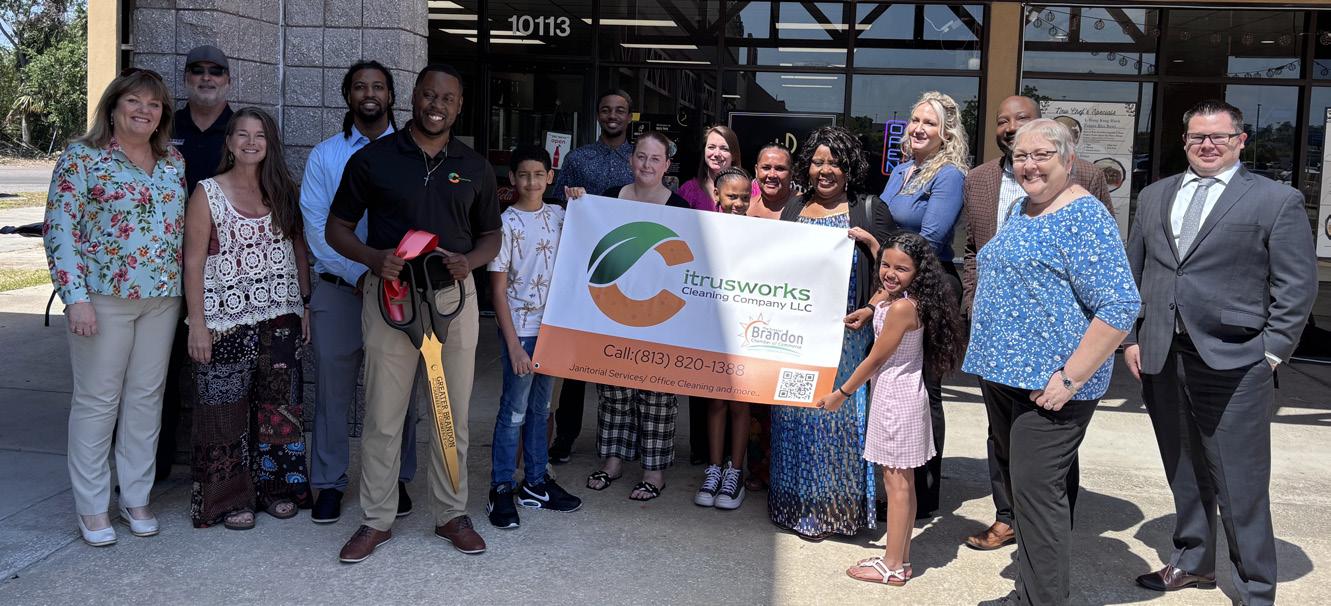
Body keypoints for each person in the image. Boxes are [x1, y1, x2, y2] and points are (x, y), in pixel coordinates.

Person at [1125, 100, 1316, 606]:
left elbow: (1296, 287)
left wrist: (1271, 354)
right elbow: (1132, 272)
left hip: (1237, 361)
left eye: (1219, 137)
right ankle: (1194, 561)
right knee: (1182, 468)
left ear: (1240, 141)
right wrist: (1130, 339)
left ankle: (1255, 588)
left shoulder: (1276, 200)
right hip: (1162, 354)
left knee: (1240, 483)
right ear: (1184, 141)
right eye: (1197, 137)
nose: (1207, 145)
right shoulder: (1155, 195)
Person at [327, 63, 500, 563]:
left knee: (450, 414)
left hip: (452, 300)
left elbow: (491, 234)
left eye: (447, 98)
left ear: (459, 105)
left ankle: (450, 513)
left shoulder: (475, 166)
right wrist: (370, 258)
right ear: (413, 98)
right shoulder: (374, 159)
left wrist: (471, 261)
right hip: (393, 297)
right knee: (384, 415)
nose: (436, 105)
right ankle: (376, 519)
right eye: (428, 95)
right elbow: (336, 228)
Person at [965, 119, 1140, 606]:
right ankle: (1030, 593)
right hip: (1004, 378)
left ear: (1068, 159)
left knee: (1037, 499)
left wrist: (1070, 377)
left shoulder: (1085, 217)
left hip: (1051, 389)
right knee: (1028, 496)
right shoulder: (1022, 208)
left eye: (1042, 155)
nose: (1030, 165)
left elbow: (1120, 306)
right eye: (1021, 156)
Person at [959, 95, 1112, 552]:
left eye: (1021, 120)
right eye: (1002, 121)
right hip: (998, 351)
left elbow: (1105, 274)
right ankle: (1008, 517)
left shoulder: (1085, 182)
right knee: (1002, 441)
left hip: (1050, 360)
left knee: (1047, 460)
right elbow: (974, 249)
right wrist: (974, 300)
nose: (1010, 128)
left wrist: (1080, 367)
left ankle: (1051, 532)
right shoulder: (980, 179)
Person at [44, 68, 186, 546]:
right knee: (98, 401)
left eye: (154, 104)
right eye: (134, 101)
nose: (144, 110)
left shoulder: (173, 162)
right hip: (103, 298)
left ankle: (136, 497)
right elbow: (60, 229)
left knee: (146, 398)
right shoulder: (82, 158)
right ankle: (92, 506)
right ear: (113, 106)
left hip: (162, 299)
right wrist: (75, 299)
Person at [301, 60, 420, 525]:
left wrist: (387, 274)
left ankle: (394, 480)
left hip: (399, 290)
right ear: (347, 95)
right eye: (359, 87)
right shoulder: (325, 156)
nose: (369, 94)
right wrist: (360, 272)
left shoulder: (413, 154)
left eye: (378, 87)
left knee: (398, 393)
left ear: (391, 96)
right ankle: (329, 483)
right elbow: (316, 227)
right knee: (332, 393)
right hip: (341, 287)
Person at [182, 107, 312, 530]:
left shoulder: (283, 191)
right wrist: (197, 323)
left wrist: (304, 304)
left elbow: (298, 250)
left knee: (280, 410)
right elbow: (193, 261)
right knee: (223, 413)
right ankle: (228, 499)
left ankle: (278, 489)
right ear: (229, 142)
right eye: (242, 134)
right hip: (225, 320)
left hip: (281, 317)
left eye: (260, 135)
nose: (251, 142)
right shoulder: (207, 192)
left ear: (270, 144)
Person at [770, 126, 895, 540]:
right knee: (795, 417)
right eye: (817, 162)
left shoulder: (869, 209)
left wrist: (871, 305)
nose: (825, 170)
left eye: (834, 163)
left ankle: (834, 510)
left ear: (849, 168)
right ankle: (793, 504)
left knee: (835, 420)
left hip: (847, 338)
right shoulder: (793, 207)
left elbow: (897, 275)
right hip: (797, 335)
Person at [817, 232, 962, 586]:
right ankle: (899, 558)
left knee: (896, 485)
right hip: (906, 397)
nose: (889, 274)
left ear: (918, 273)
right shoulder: (909, 299)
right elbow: (884, 288)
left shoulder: (901, 309)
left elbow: (875, 359)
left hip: (895, 402)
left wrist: (842, 393)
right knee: (903, 484)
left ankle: (893, 565)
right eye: (885, 265)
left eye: (901, 268)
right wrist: (873, 245)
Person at [876, 91, 968, 519]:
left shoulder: (948, 175)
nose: (918, 128)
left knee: (924, 389)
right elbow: (882, 220)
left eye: (929, 123)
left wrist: (890, 283)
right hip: (896, 280)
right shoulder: (900, 170)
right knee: (894, 383)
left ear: (946, 133)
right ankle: (895, 485)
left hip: (930, 286)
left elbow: (929, 238)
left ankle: (925, 493)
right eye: (915, 120)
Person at [582, 131, 688, 502]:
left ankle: (653, 471)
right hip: (615, 310)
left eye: (655, 158)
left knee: (657, 394)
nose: (646, 164)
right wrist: (578, 201)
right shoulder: (609, 198)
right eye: (641, 156)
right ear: (631, 159)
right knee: (613, 391)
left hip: (661, 314)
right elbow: (588, 242)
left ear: (666, 165)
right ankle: (612, 461)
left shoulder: (680, 208)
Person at [485, 145, 583, 529]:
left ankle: (536, 483)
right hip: (522, 333)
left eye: (539, 174)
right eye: (523, 175)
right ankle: (501, 486)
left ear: (550, 177)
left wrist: (580, 198)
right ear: (512, 178)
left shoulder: (559, 216)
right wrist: (512, 345)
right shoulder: (506, 224)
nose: (531, 182)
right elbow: (497, 291)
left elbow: (590, 225)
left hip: (552, 330)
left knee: (541, 411)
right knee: (514, 411)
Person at [157, 44, 237, 481]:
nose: (207, 78)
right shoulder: (164, 127)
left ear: (228, 79)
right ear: (186, 78)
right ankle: (154, 466)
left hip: (225, 272)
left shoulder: (240, 130)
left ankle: (223, 471)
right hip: (166, 271)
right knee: (160, 373)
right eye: (198, 70)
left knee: (224, 374)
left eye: (216, 71)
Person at [548, 89, 636, 465]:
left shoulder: (640, 159)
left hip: (627, 269)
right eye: (606, 110)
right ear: (598, 115)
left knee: (620, 361)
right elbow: (555, 204)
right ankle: (565, 436)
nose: (613, 115)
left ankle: (620, 440)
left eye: (620, 110)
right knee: (575, 361)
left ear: (629, 116)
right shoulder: (578, 158)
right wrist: (571, 198)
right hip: (583, 267)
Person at [693, 167, 755, 510]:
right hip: (712, 328)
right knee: (715, 401)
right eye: (732, 196)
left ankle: (735, 472)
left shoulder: (760, 233)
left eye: (745, 197)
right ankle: (714, 468)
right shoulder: (702, 229)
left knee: (740, 403)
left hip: (747, 330)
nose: (738, 203)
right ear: (716, 195)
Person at [749, 144, 796, 220]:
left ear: (791, 173)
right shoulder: (745, 208)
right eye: (766, 168)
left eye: (780, 169)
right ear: (756, 171)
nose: (772, 175)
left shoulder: (805, 207)